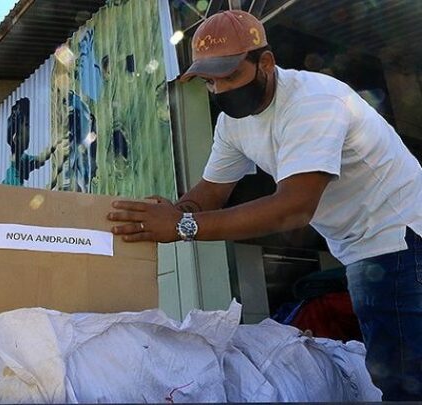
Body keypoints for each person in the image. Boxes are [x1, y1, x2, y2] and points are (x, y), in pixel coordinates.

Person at [107, 10, 422, 400]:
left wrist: (182, 227)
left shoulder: (314, 102)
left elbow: (294, 208)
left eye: (229, 76)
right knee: (394, 369)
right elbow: (210, 192)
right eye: (210, 82)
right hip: (362, 247)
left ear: (266, 63)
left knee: (405, 378)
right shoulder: (233, 124)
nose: (220, 90)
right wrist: (177, 210)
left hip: (399, 237)